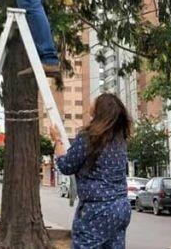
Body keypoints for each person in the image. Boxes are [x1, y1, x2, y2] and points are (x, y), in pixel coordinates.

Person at [50, 93, 132, 249]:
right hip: (121, 207)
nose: (92, 101)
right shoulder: (120, 139)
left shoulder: (89, 137)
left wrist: (58, 141)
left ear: (99, 111)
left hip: (97, 210)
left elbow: (66, 166)